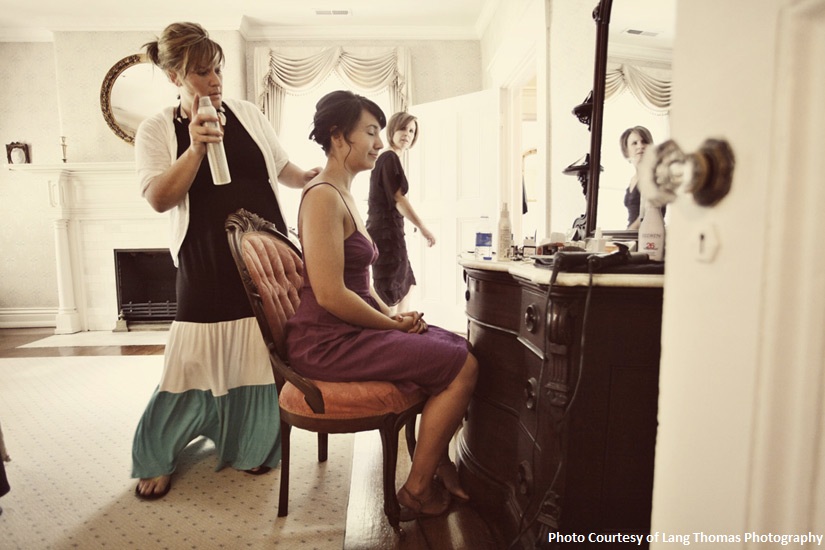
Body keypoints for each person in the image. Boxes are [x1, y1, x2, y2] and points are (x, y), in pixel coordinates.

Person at [131, 22, 319, 500]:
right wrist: (195, 147)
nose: (214, 81)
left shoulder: (249, 114)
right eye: (201, 72)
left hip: (264, 257)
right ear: (174, 76)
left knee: (258, 350)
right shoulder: (156, 128)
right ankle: (160, 449)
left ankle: (252, 441)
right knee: (190, 355)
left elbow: (283, 168)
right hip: (204, 258)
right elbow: (158, 198)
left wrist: (312, 177)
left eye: (217, 69)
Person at [285, 90, 478, 519]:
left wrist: (393, 315)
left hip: (346, 331)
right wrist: (389, 327)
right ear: (338, 136)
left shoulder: (342, 193)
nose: (379, 142)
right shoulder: (322, 196)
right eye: (370, 132)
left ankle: (435, 458)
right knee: (462, 366)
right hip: (326, 342)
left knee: (455, 344)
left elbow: (360, 285)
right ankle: (416, 490)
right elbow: (331, 294)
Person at [366, 112, 435, 314]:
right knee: (391, 289)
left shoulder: (390, 158)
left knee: (407, 283)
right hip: (386, 233)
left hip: (389, 230)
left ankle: (400, 326)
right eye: (403, 128)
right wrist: (423, 228)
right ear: (392, 130)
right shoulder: (389, 158)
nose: (407, 134)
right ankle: (391, 326)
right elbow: (398, 199)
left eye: (412, 131)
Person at [620, 125, 654, 229]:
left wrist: (626, 233)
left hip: (648, 234)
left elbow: (648, 216)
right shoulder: (633, 179)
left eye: (644, 142)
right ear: (626, 151)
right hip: (633, 235)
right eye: (635, 143)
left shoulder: (653, 176)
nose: (640, 146)